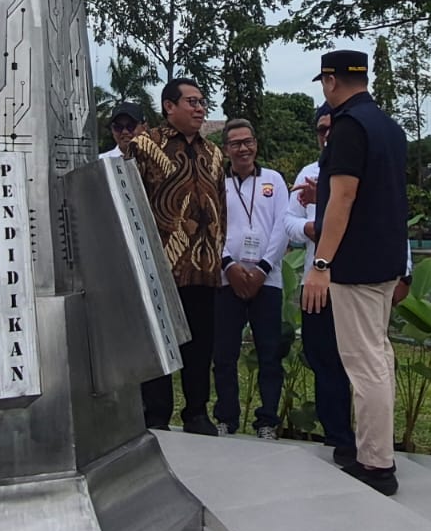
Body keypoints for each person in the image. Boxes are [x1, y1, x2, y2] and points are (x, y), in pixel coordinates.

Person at [300, 50, 409, 496]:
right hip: (384, 261)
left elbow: (343, 199)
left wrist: (321, 265)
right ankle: (377, 451)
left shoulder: (347, 128)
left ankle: (376, 464)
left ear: (331, 79)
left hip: (355, 266)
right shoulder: (387, 126)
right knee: (379, 358)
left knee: (365, 366)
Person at [123, 76, 226, 435]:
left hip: (205, 266)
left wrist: (217, 253)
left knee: (201, 345)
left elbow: (221, 208)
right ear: (169, 106)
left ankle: (197, 412)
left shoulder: (214, 153)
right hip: (161, 266)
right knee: (160, 343)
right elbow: (130, 204)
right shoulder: (144, 146)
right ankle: (156, 415)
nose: (199, 108)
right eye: (191, 102)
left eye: (202, 102)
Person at [212, 118, 290, 439]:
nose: (243, 148)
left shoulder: (274, 180)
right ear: (226, 149)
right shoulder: (217, 181)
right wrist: (228, 264)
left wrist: (262, 269)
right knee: (224, 354)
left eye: (248, 142)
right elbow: (210, 227)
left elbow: (282, 227)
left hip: (266, 281)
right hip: (226, 279)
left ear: (255, 144)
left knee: (269, 353)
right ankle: (226, 418)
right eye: (235, 143)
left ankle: (267, 420)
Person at [284, 105, 355, 460]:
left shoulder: (361, 168)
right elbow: (288, 221)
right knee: (320, 356)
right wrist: (308, 228)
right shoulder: (309, 172)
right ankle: (335, 435)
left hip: (353, 281)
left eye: (332, 129)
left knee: (356, 360)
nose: (326, 136)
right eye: (321, 130)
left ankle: (362, 437)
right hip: (315, 281)